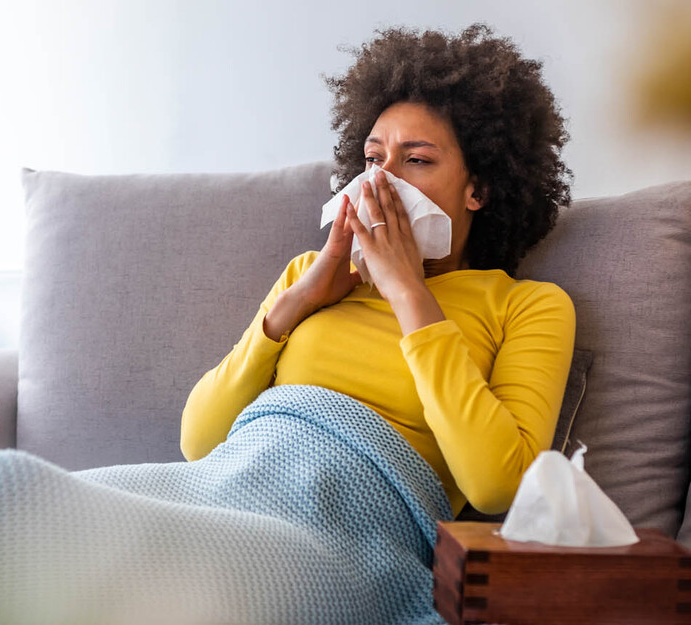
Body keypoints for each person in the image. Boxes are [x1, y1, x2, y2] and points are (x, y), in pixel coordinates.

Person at [180, 23, 577, 521]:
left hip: (356, 531)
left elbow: (496, 486)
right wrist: (297, 302)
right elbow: (198, 442)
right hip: (231, 495)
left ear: (480, 190)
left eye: (415, 159)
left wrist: (410, 292)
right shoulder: (312, 276)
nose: (381, 178)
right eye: (373, 158)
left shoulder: (527, 306)